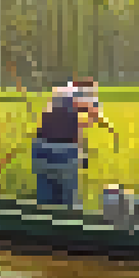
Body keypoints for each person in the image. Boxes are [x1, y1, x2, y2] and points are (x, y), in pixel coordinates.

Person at [31, 77, 109, 207]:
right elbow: (94, 113)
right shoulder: (81, 94)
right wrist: (107, 124)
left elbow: (67, 122)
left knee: (45, 206)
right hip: (63, 153)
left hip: (40, 149)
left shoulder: (60, 92)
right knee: (69, 207)